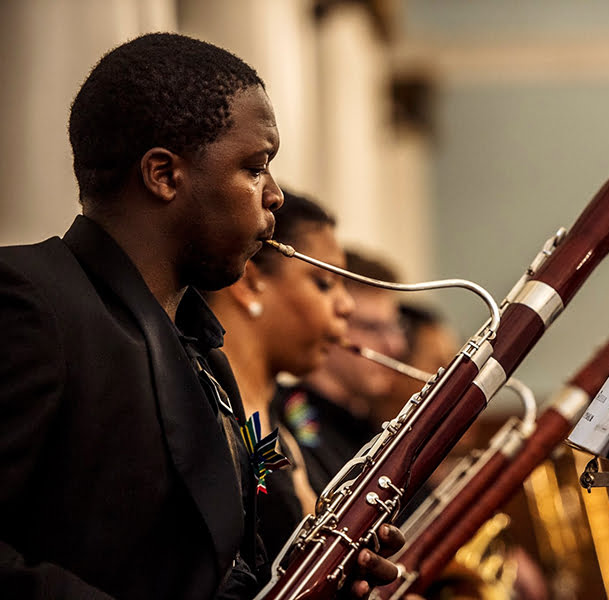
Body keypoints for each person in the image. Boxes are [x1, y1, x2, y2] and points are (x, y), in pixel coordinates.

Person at [0, 32, 401, 600]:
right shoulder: (29, 300)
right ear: (163, 174)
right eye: (255, 166)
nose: (276, 196)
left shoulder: (207, 352)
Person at [204, 190, 353, 552]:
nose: (347, 305)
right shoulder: (201, 410)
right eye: (324, 283)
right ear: (248, 282)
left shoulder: (281, 418)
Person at [274, 250, 407, 494]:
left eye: (395, 326)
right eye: (372, 327)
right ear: (331, 324)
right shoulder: (290, 417)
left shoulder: (366, 423)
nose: (396, 346)